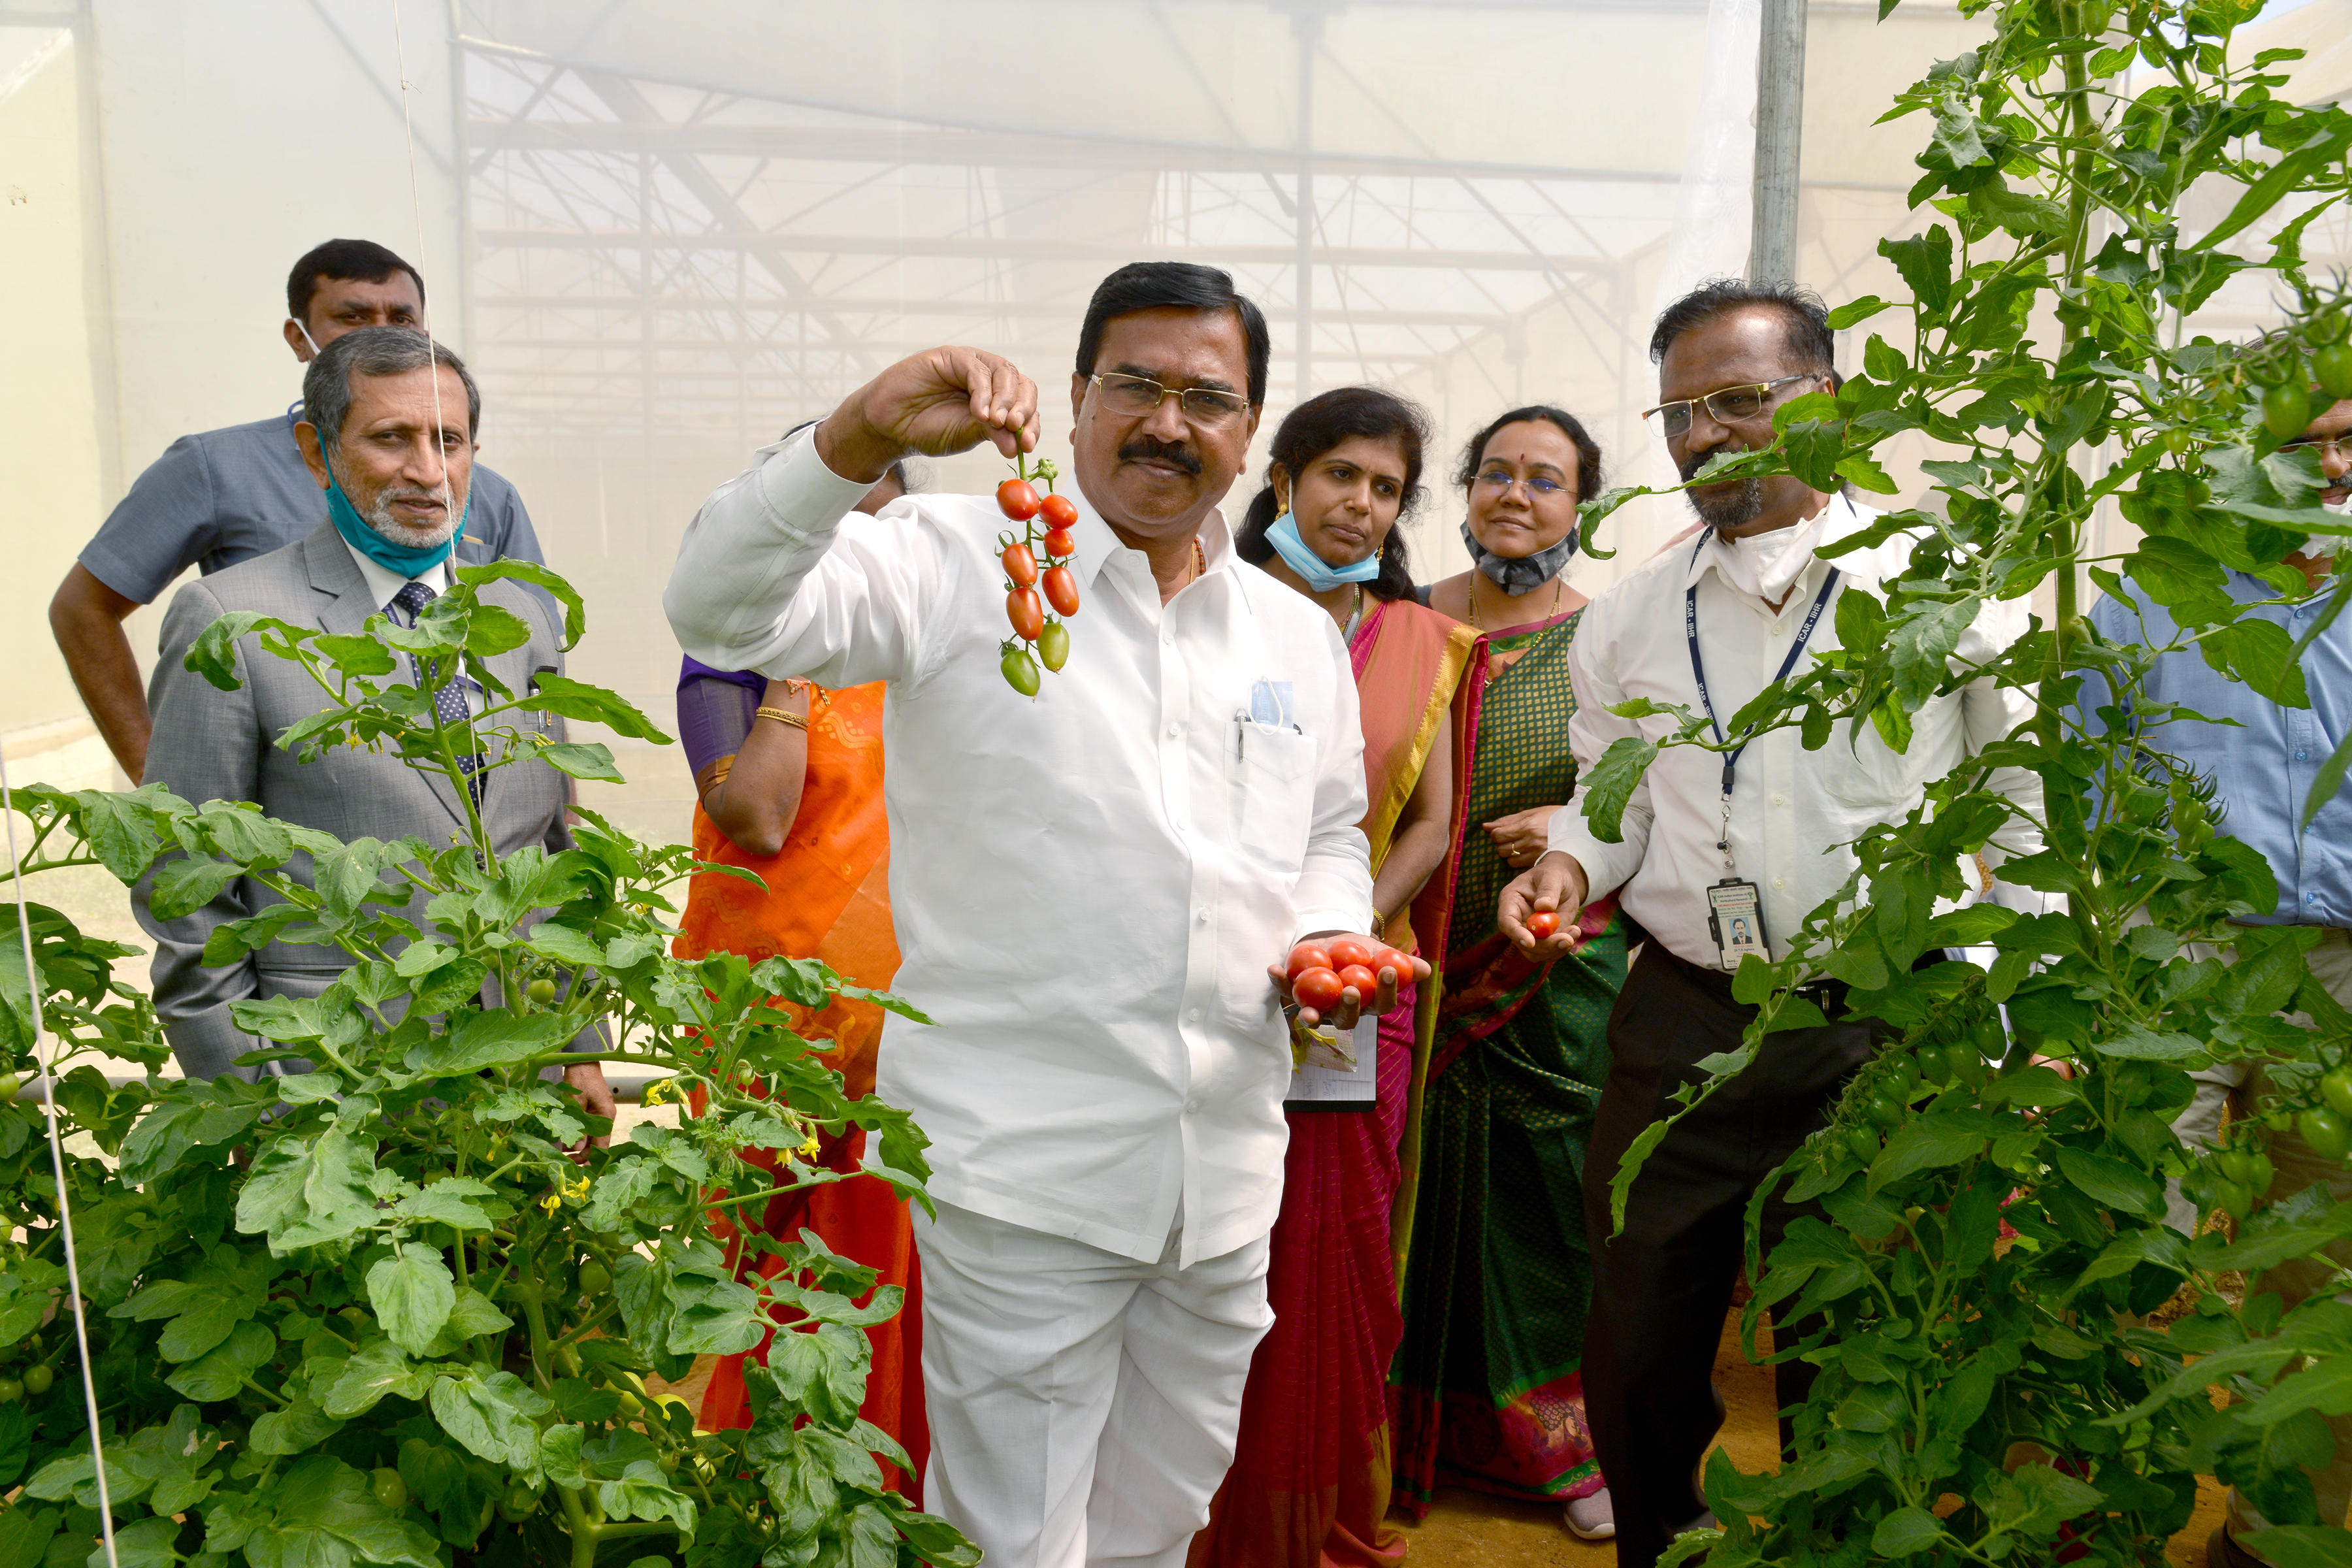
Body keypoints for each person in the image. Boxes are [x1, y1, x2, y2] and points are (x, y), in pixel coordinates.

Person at [664, 262, 1426, 1568]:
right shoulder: (957, 560)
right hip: (1024, 1175)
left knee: (1166, 1515)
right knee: (1013, 1539)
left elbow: (1326, 836)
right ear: (1075, 398)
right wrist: (857, 437)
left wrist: (1323, 935)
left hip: (1228, 1175)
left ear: (1252, 430)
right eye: (1135, 383)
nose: (1168, 423)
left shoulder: (1292, 639)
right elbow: (718, 608)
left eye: (1209, 396)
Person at [1496, 278, 2045, 1568]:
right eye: (1680, 410)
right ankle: (1663, 1548)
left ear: (1827, 401)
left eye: (1738, 400)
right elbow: (1613, 785)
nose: (1702, 436)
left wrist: (2015, 1022)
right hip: (1685, 1010)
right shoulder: (1632, 611)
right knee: (1635, 1340)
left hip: (1879, 1025)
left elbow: (2017, 806)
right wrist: (1573, 868)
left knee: (1848, 1341)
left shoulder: (1941, 584)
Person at [135, 327, 610, 1124]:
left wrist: (580, 1038)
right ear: (316, 452)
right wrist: (259, 1111)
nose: (428, 471)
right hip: (337, 1088)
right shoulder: (234, 621)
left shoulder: (519, 616)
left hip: (520, 1081)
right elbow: (185, 894)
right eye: (392, 438)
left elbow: (549, 851)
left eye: (448, 441)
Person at [1196, 387, 1478, 1568]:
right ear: (1284, 480)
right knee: (1214, 1242)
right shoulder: (1203, 611)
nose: (1361, 505)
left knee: (1332, 1258)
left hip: (1358, 997)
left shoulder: (1422, 642)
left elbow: (1430, 822)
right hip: (1208, 976)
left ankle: (1304, 1517)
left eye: (1386, 489)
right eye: (1341, 478)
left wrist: (1336, 937)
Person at [2081, 397, 2352, 1568]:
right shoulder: (2153, 591)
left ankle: (2278, 1527)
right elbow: (2085, 770)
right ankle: (2098, 1505)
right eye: (2309, 442)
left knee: (2326, 1266)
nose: (2335, 465)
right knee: (2128, 1235)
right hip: (2172, 952)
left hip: (2340, 964)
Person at [1388, 405, 1629, 1542]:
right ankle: (1397, 1432)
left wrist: (1575, 822)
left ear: (1583, 504)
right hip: (1401, 960)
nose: (1514, 496)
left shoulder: (1613, 637)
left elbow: (1655, 786)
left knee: (1551, 1202)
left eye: (1545, 479)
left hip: (1550, 967)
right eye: (1494, 475)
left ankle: (1561, 1444)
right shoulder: (1404, 623)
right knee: (1408, 1195)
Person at [51, 238, 544, 785]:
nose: (380, 333)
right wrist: (157, 776)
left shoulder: (486, 491)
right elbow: (83, 609)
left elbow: (535, 667)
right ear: (299, 337)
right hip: (300, 800)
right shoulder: (216, 467)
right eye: (351, 316)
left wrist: (555, 811)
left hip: (472, 806)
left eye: (401, 318)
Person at [672, 443, 926, 1493]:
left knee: (880, 1283)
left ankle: (881, 1501)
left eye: (882, 534)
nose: (855, 558)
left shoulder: (927, 663)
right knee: (773, 1280)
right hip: (769, 1035)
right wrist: (798, 660)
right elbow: (760, 814)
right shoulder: (725, 658)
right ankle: (764, 1495)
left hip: (902, 1037)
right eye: (831, 531)